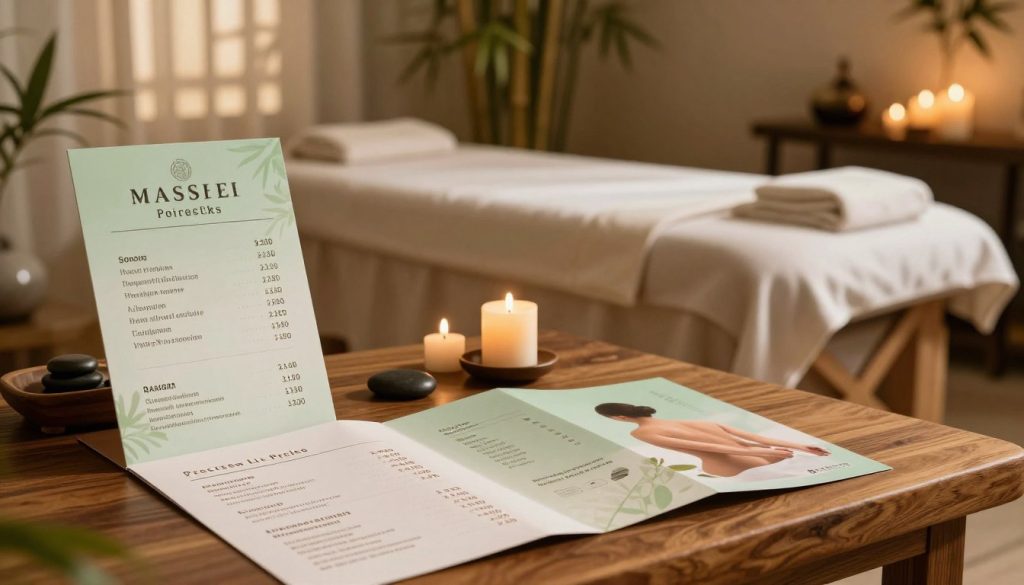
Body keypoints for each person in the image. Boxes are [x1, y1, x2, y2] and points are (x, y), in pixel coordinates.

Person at [595, 403, 830, 478]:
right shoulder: (692, 421)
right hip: (762, 457)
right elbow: (750, 437)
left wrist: (760, 452)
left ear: (620, 417)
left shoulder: (640, 433)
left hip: (732, 465)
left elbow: (705, 447)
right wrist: (799, 446)